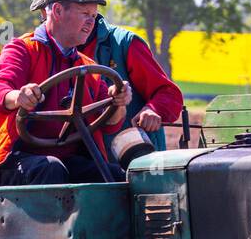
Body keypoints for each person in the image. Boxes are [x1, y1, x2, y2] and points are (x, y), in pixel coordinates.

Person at [0, 0, 132, 188]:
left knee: (112, 175)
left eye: (94, 15)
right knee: (50, 169)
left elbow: (111, 124)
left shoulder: (87, 67)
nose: (91, 22)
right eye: (84, 14)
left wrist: (118, 102)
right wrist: (19, 96)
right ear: (56, 11)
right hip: (6, 160)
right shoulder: (21, 50)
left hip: (61, 161)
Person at [78, 9, 184, 151]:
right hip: (81, 152)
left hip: (131, 151)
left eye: (88, 13)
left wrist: (153, 110)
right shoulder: (54, 49)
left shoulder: (125, 43)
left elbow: (168, 94)